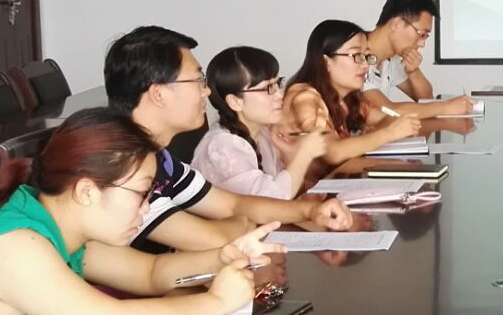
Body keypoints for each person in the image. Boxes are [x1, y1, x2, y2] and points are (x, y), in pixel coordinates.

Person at [0, 108, 285, 315]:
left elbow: (150, 273)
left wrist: (224, 256)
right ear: (87, 191)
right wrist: (217, 301)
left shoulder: (61, 228)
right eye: (141, 193)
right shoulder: (15, 245)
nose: (146, 208)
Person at [104, 26, 353, 253]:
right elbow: (213, 236)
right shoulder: (122, 168)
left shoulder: (163, 161)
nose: (207, 91)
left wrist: (311, 210)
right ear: (158, 93)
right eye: (198, 80)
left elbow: (235, 205)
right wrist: (249, 219)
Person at [191, 46, 327, 200]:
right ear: (235, 101)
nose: (280, 95)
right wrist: (304, 153)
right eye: (268, 88)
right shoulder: (222, 145)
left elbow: (290, 193)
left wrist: (290, 155)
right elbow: (270, 202)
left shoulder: (263, 133)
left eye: (277, 83)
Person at [283, 19, 423, 165]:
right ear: (326, 62)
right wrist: (390, 133)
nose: (365, 65)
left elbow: (386, 118)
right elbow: (334, 152)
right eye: (357, 56)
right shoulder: (303, 97)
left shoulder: (348, 97)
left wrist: (372, 135)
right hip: (316, 181)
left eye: (367, 56)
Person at [362, 0, 475, 119]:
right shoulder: (356, 56)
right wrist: (447, 107)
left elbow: (426, 99)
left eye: (426, 36)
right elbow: (388, 110)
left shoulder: (391, 59)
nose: (422, 44)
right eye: (421, 34)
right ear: (396, 24)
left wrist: (414, 72)